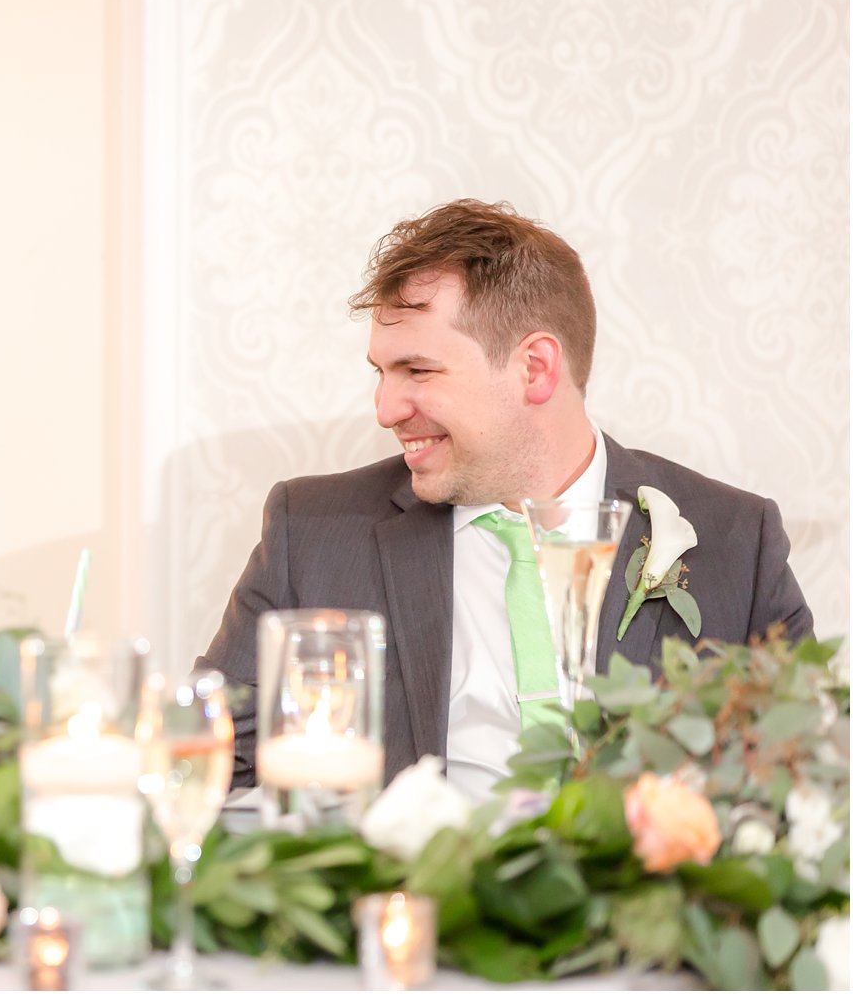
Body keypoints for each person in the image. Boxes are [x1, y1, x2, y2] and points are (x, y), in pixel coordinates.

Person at [197, 199, 813, 804]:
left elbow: (808, 783)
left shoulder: (736, 541)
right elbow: (211, 767)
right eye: (381, 373)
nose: (386, 410)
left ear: (535, 368)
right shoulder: (312, 533)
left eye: (418, 371)